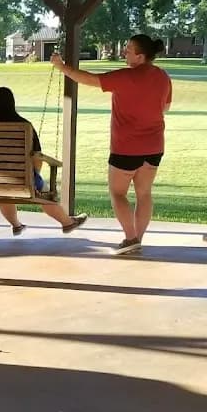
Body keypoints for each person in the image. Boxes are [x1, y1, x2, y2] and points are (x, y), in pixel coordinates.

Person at [52, 34, 171, 254]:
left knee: (118, 193)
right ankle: (138, 239)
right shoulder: (163, 76)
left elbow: (88, 79)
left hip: (126, 147)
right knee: (144, 193)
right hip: (154, 146)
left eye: (128, 49)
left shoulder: (126, 76)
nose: (124, 51)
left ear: (140, 56)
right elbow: (166, 107)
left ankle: (130, 238)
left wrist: (62, 67)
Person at [0, 87, 87, 236]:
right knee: (44, 190)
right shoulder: (23, 125)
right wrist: (34, 176)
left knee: (4, 193)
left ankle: (16, 225)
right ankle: (67, 223)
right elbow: (36, 157)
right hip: (19, 180)